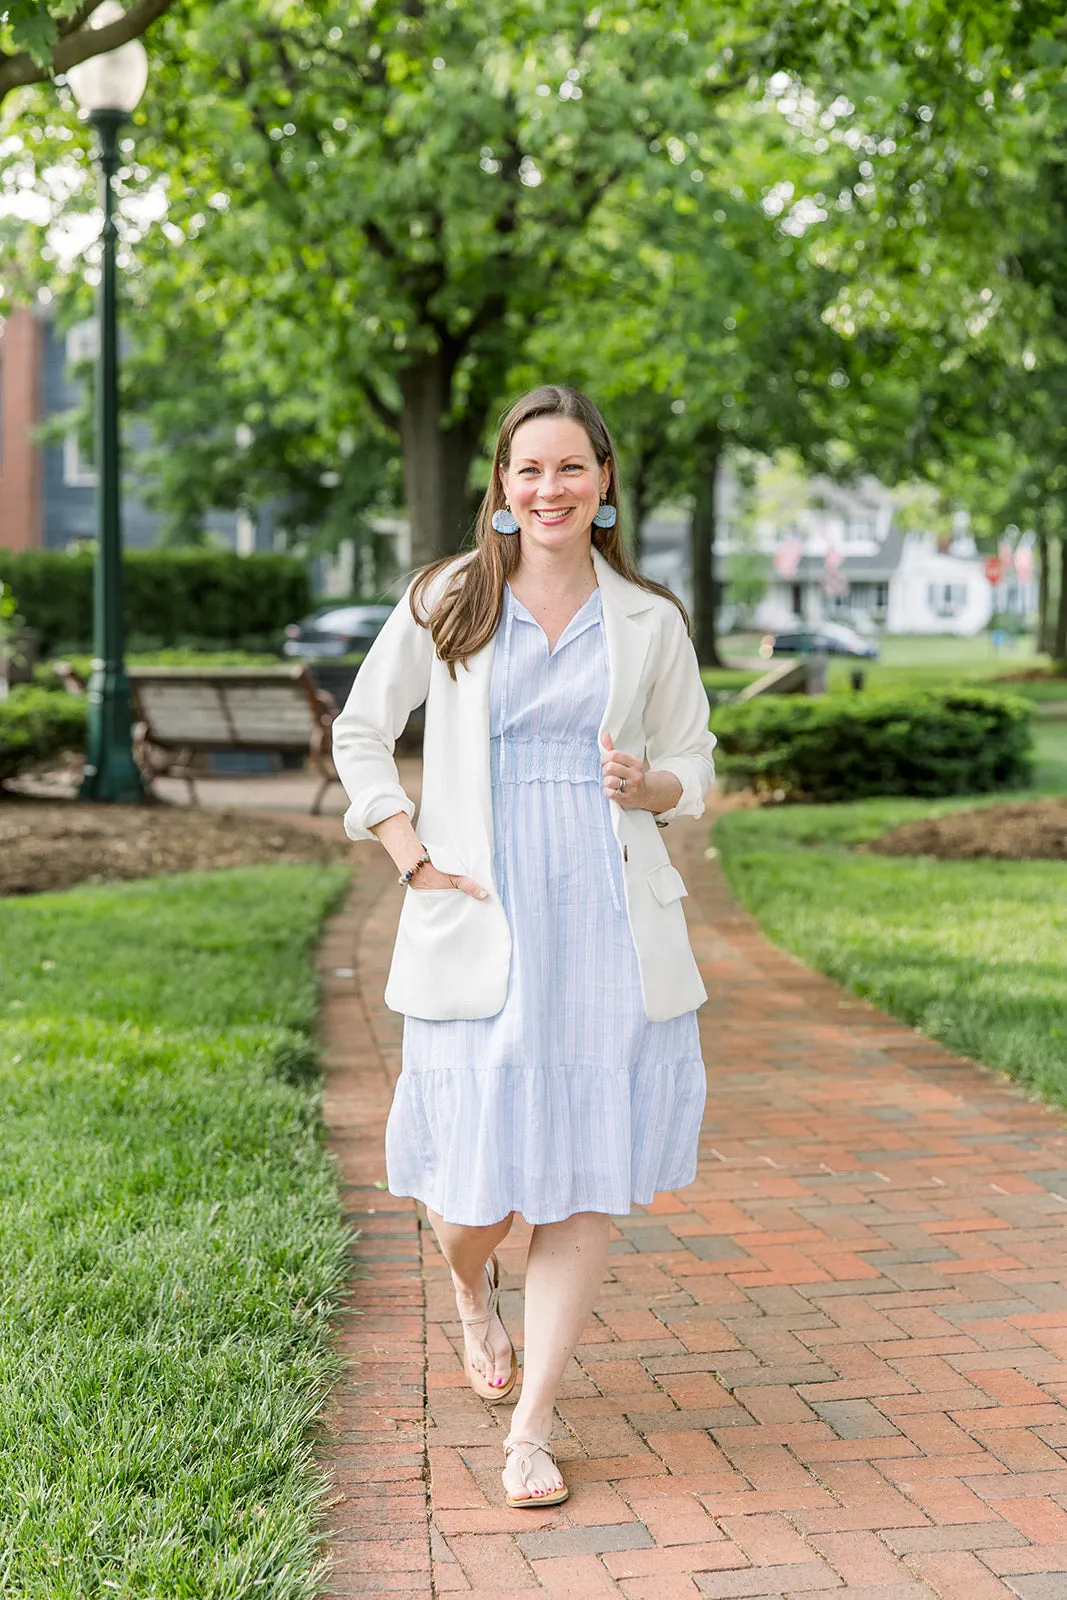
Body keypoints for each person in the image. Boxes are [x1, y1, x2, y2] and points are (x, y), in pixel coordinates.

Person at [331, 384, 716, 1510]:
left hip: (605, 917)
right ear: (499, 488)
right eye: (527, 470)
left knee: (584, 1178)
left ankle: (532, 1428)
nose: (548, 489)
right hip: (482, 912)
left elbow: (695, 762)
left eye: (570, 469)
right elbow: (363, 728)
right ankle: (468, 1288)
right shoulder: (448, 599)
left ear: (603, 486)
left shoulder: (647, 618)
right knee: (473, 1200)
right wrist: (403, 847)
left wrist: (655, 784)